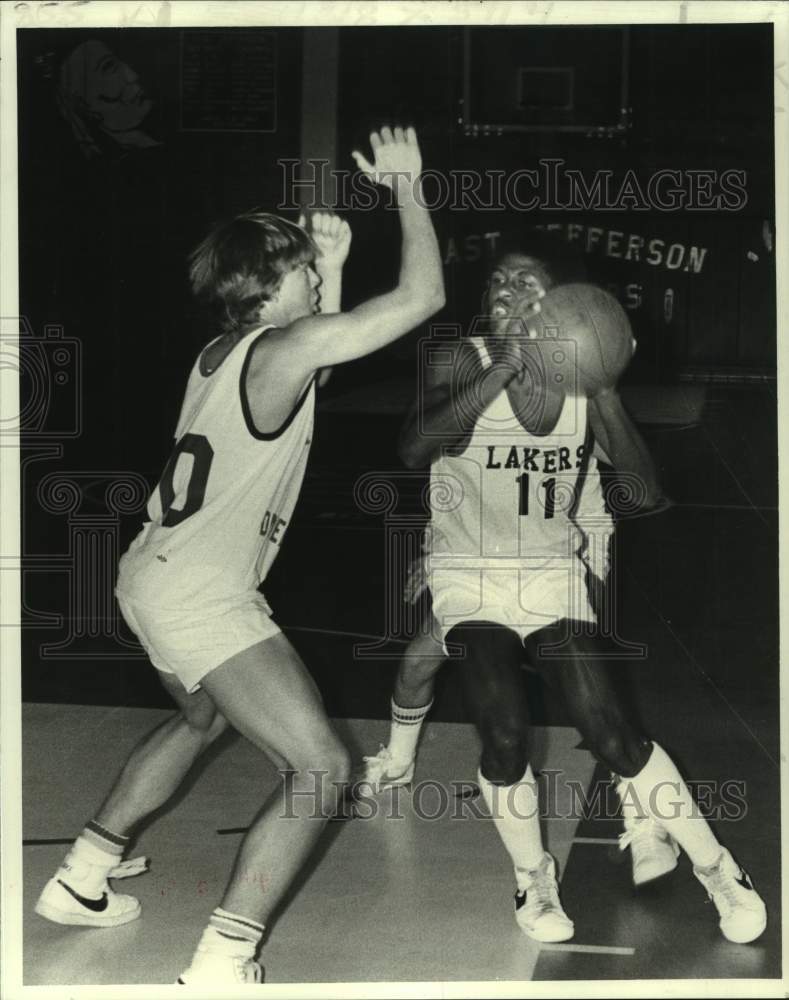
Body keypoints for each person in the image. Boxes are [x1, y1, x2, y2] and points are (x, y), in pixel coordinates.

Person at [35, 125, 445, 985]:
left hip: (148, 575)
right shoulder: (283, 347)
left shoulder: (223, 352)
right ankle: (225, 957)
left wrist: (329, 267)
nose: (309, 278)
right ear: (270, 285)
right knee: (322, 766)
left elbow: (313, 374)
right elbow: (418, 301)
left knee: (202, 718)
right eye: (299, 268)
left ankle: (82, 875)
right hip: (200, 596)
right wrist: (407, 188)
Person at [361, 240, 767, 946]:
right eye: (496, 279)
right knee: (503, 727)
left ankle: (717, 868)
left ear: (559, 306)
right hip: (467, 570)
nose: (504, 288)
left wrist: (605, 390)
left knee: (610, 731)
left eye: (524, 281)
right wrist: (503, 370)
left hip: (549, 572)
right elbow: (413, 448)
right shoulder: (460, 360)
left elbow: (641, 493)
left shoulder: (581, 381)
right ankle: (532, 874)